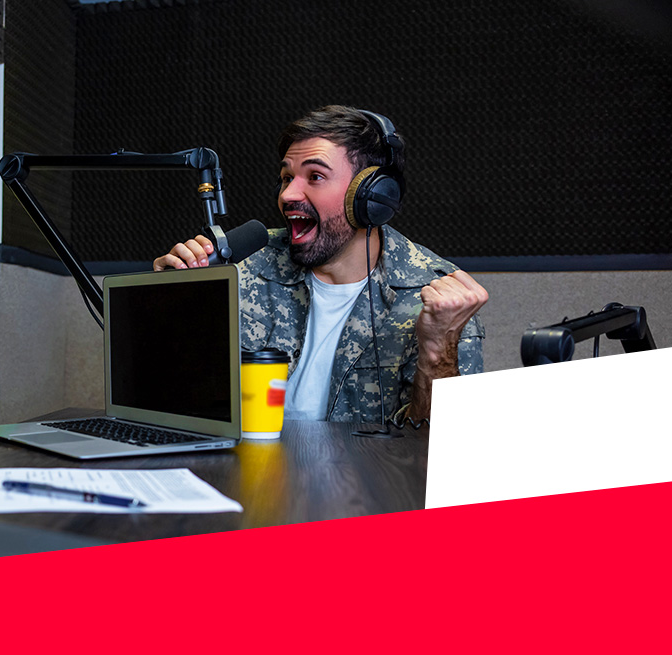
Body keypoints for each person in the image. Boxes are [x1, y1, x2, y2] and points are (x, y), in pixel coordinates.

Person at [153, 105, 487, 424]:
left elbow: (439, 446)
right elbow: (176, 402)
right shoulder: (241, 265)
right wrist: (165, 303)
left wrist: (437, 352)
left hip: (369, 468)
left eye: (315, 176)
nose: (287, 195)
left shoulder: (439, 300)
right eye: (286, 177)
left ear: (372, 197)